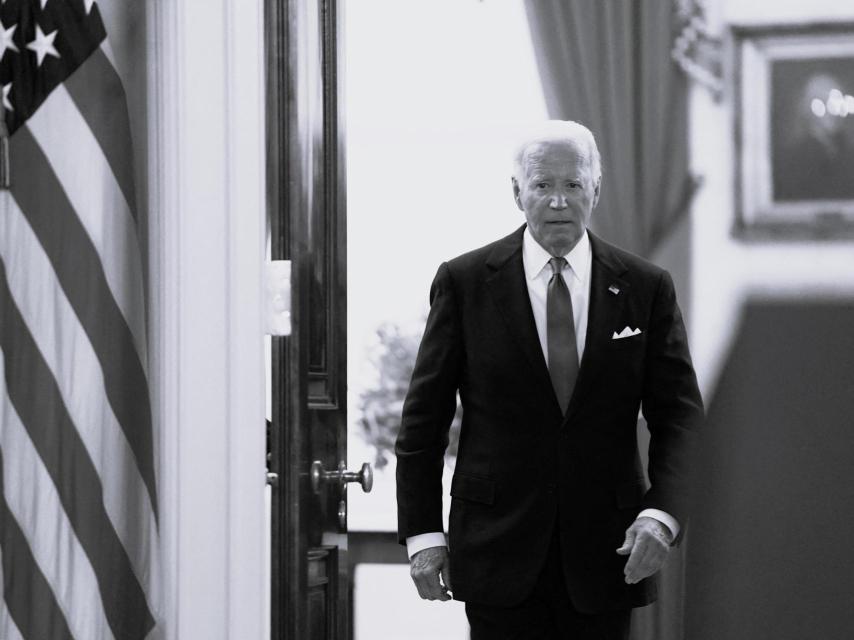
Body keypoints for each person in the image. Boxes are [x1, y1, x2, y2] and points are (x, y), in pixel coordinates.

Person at [394, 120, 704, 639]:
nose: (558, 201)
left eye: (573, 185)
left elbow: (682, 421)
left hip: (610, 552)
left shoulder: (646, 288)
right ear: (517, 192)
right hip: (497, 550)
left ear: (596, 190)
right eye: (542, 185)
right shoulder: (464, 282)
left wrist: (663, 515)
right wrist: (423, 534)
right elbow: (423, 421)